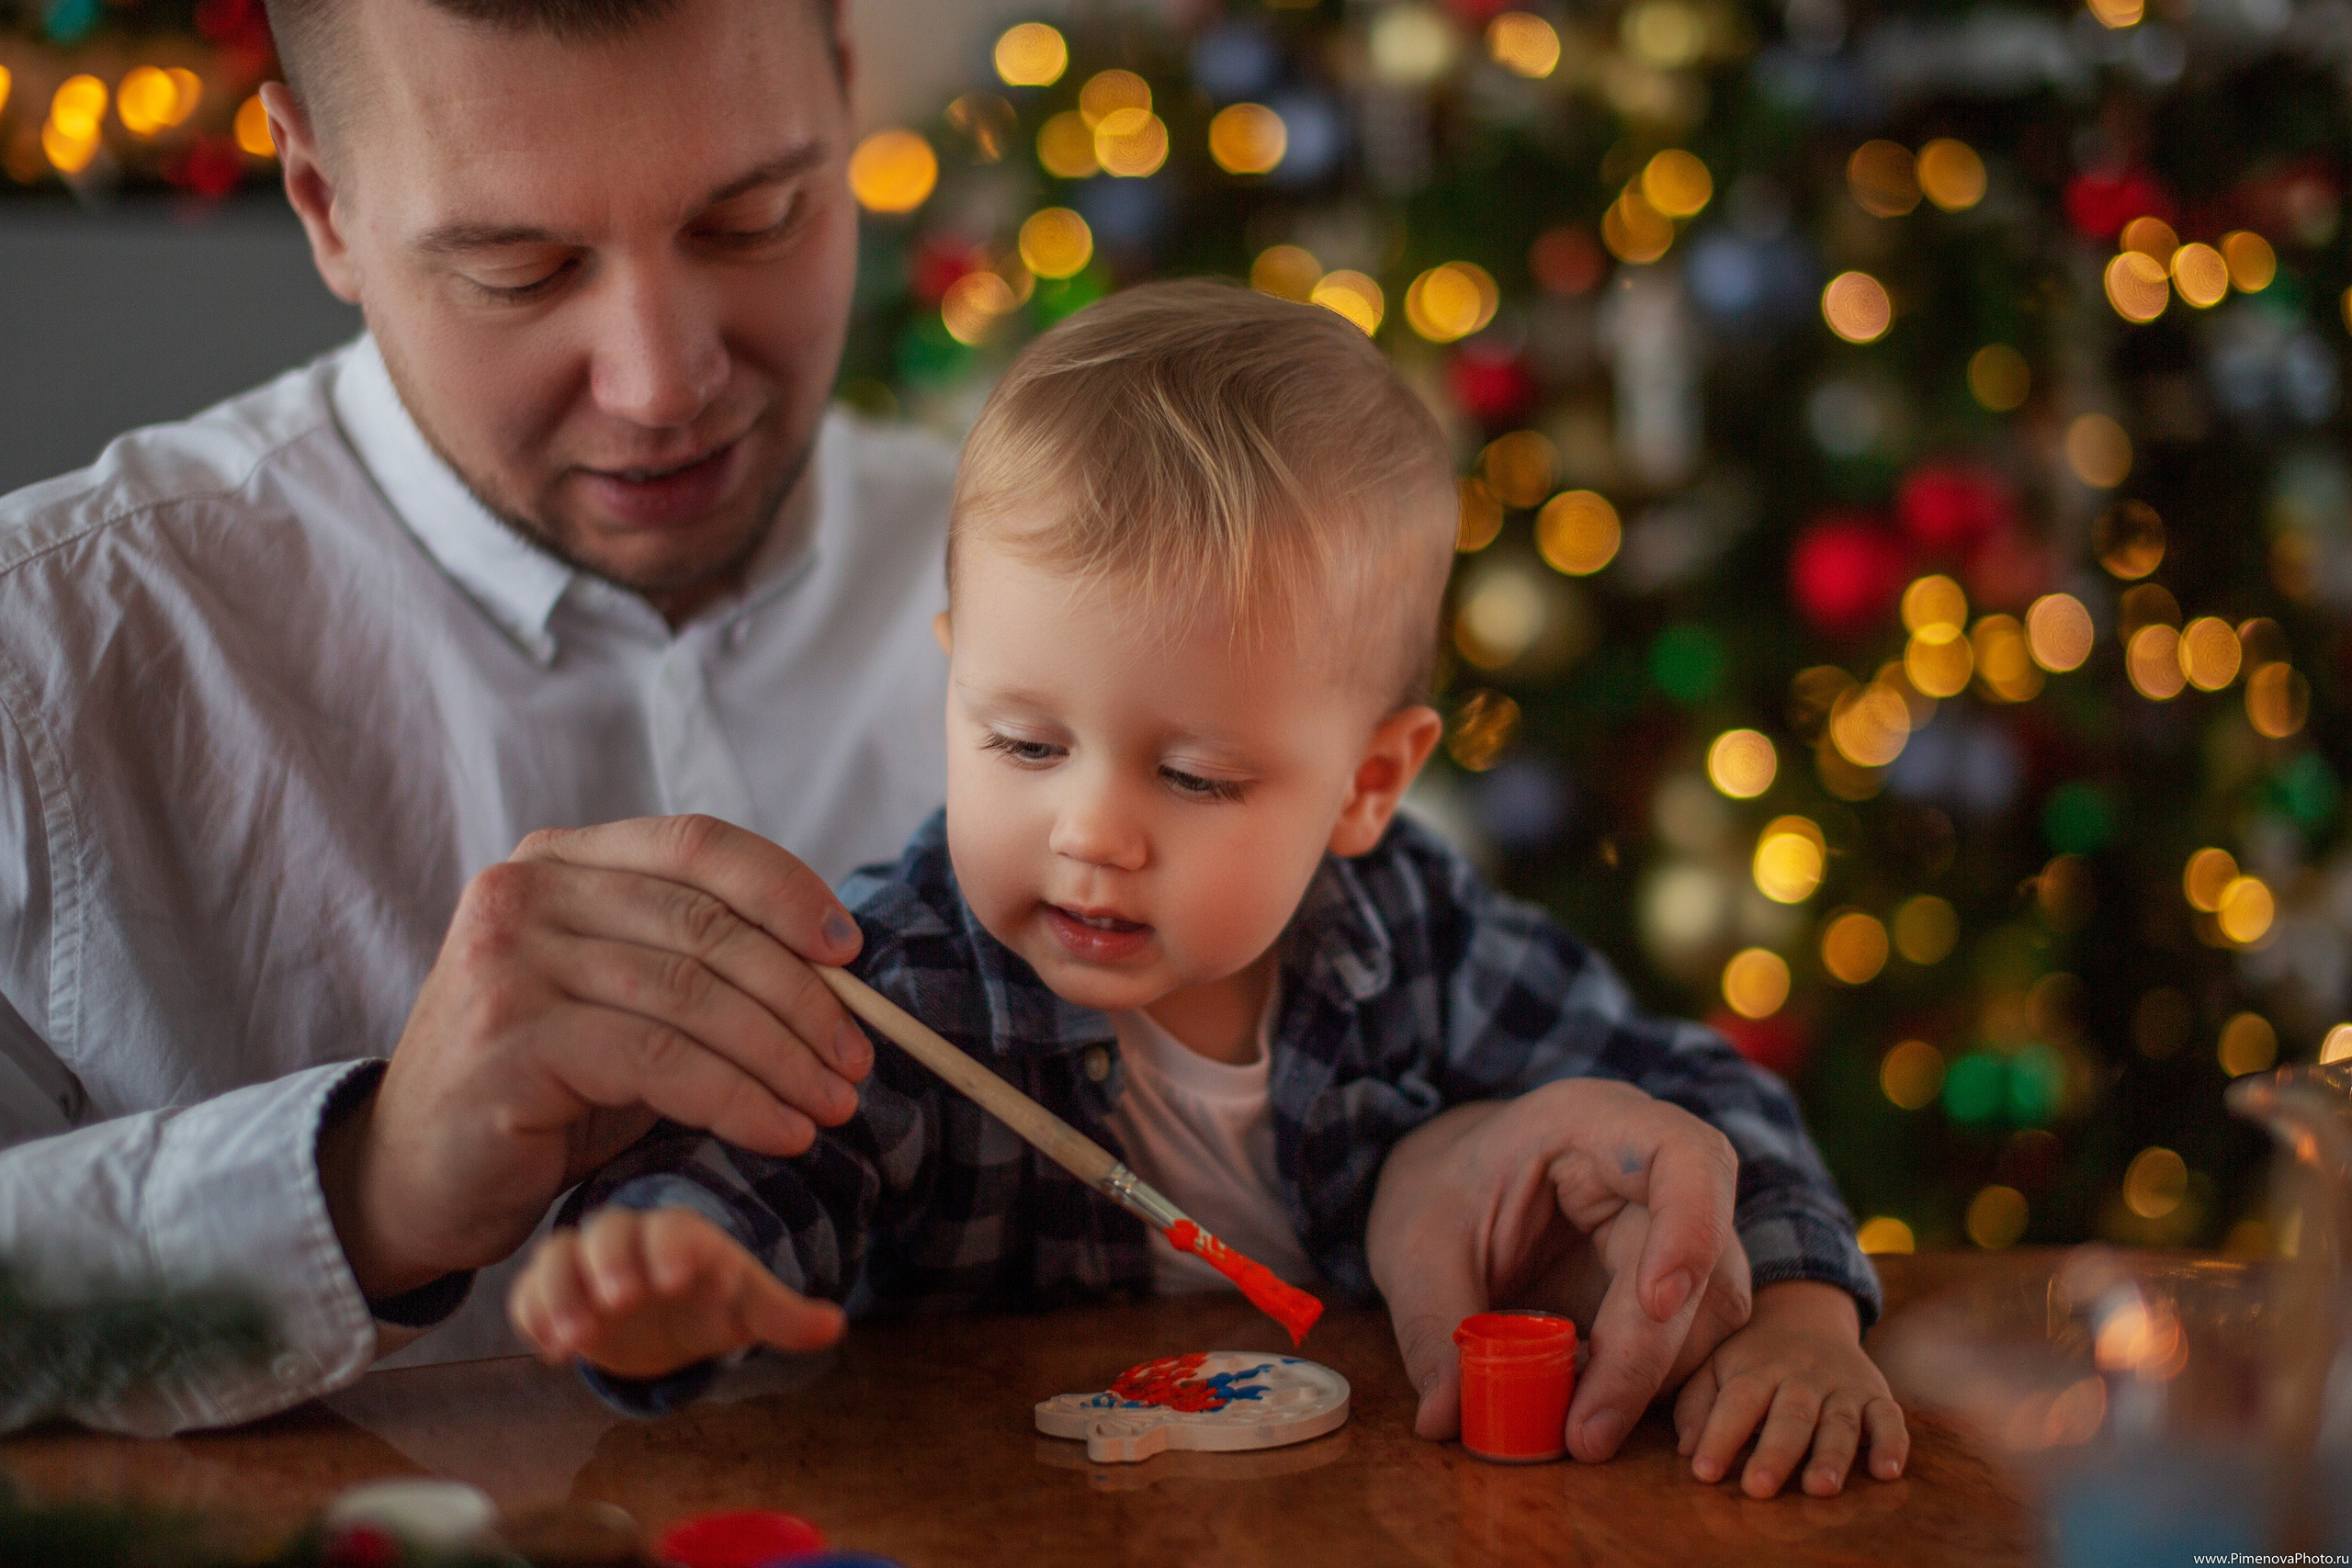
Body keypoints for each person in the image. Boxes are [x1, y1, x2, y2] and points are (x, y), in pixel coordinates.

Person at [0, 0, 1755, 1451]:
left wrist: (1461, 1171)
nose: (663, 381)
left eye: (753, 219)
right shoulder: (46, 661)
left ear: (845, 91)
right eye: (520, 270)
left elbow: (1424, 1023)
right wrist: (365, 1186)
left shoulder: (1114, 569)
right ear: (321, 200)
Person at [510, 283, 1908, 1497]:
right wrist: (673, 1273)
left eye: (1194, 776)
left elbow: (1686, 1105)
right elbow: (757, 1175)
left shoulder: (1408, 934)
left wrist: (1800, 1314)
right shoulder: (914, 984)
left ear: (1366, 785)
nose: (1091, 833)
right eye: (1024, 744)